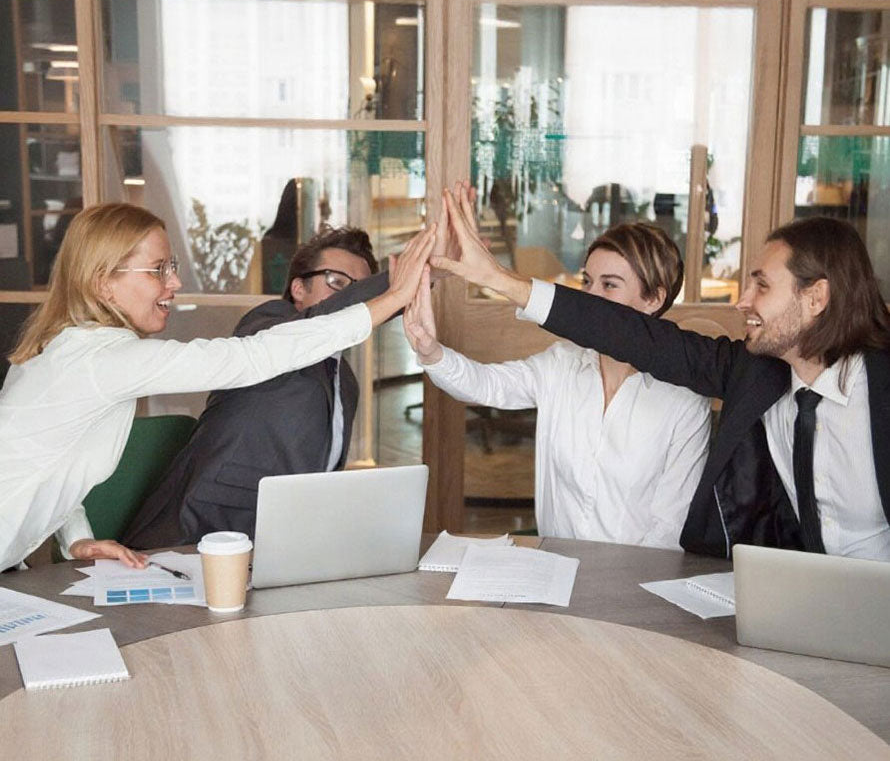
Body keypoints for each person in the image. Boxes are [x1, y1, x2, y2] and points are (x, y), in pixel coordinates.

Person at [433, 186, 890, 559]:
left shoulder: (880, 384)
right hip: (796, 598)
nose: (742, 301)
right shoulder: (755, 375)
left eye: (762, 286)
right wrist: (496, 279)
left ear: (816, 298)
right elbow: (627, 333)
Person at [0, 203, 436, 573]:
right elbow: (254, 357)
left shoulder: (70, 350)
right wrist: (393, 298)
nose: (174, 283)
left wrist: (76, 539)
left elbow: (50, 458)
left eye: (171, 267)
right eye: (158, 270)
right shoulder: (102, 360)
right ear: (102, 282)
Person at [406, 220, 711, 547]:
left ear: (653, 299)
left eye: (609, 285)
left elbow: (670, 526)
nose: (590, 297)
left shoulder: (686, 400)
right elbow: (487, 385)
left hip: (635, 580)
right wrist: (431, 351)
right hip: (555, 568)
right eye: (587, 281)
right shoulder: (563, 363)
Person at [122, 226, 389, 549]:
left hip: (277, 544)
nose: (349, 295)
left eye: (360, 289)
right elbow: (322, 322)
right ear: (298, 288)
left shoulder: (344, 380)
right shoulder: (269, 324)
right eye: (337, 283)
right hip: (195, 533)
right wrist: (402, 282)